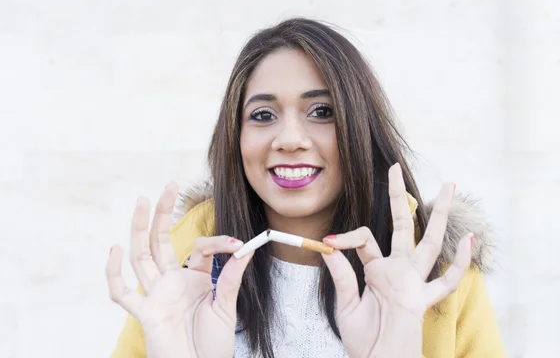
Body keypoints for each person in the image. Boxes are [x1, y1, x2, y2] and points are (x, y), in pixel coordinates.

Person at [106, 18, 505, 357]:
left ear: (361, 129)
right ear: (235, 138)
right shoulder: (180, 268)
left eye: (322, 112)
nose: (290, 138)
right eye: (263, 115)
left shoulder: (433, 272)